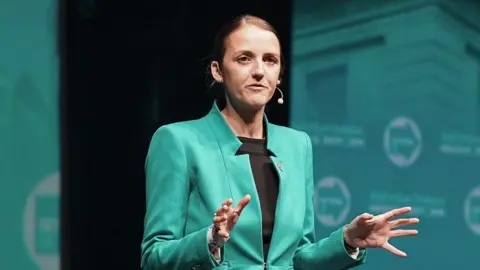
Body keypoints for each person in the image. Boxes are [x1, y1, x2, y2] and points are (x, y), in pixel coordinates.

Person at [140, 14, 419, 270]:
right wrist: (210, 240)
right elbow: (153, 257)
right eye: (244, 59)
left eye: (270, 60)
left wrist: (347, 240)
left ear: (279, 75)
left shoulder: (297, 145)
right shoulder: (178, 141)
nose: (259, 71)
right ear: (218, 70)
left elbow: (300, 257)